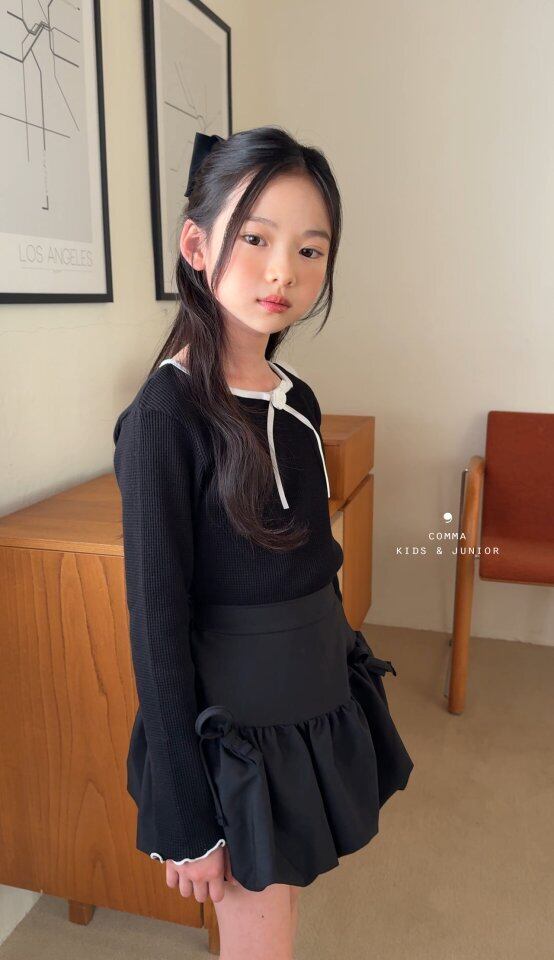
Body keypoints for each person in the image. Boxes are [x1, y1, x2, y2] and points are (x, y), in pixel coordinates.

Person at [113, 126, 414, 960]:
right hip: (237, 733)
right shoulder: (164, 418)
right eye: (255, 239)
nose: (284, 271)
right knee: (259, 936)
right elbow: (156, 630)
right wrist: (186, 814)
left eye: (310, 250)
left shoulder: (297, 397)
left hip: (308, 699)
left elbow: (313, 561)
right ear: (196, 247)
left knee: (283, 897)